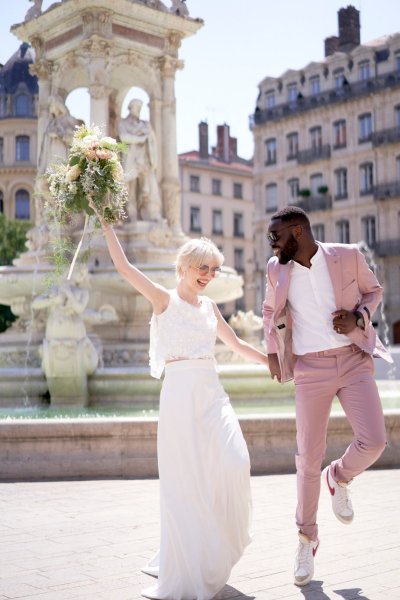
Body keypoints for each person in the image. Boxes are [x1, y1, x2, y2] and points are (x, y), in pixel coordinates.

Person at [98, 217, 269, 599]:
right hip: (179, 397)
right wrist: (107, 225)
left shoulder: (210, 308)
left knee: (235, 461)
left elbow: (237, 346)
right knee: (185, 484)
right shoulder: (164, 299)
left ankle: (221, 540)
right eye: (201, 267)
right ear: (183, 267)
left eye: (213, 268)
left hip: (212, 393)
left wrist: (273, 362)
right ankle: (191, 560)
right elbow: (124, 268)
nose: (208, 274)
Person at [262, 206, 392, 587]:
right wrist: (273, 351)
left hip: (353, 359)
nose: (272, 243)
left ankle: (339, 475)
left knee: (375, 440)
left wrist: (359, 318)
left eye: (277, 236)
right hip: (310, 369)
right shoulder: (276, 268)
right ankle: (306, 538)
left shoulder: (347, 255)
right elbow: (271, 310)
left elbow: (374, 291)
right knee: (307, 458)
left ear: (298, 232)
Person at [118, 99, 162, 222]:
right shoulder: (123, 123)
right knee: (129, 189)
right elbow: (123, 137)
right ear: (130, 108)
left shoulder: (144, 124)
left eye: (139, 108)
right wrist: (140, 138)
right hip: (130, 161)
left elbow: (151, 138)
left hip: (143, 161)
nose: (138, 110)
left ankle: (147, 213)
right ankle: (131, 215)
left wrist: (147, 136)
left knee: (146, 189)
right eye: (135, 107)